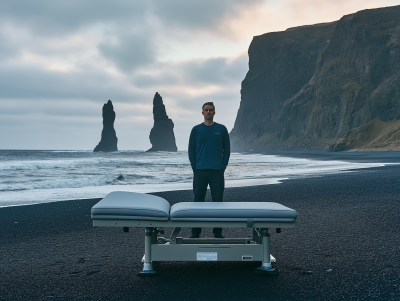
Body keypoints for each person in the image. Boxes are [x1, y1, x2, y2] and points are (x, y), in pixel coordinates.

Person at [188, 102, 230, 238]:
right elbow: (191, 150)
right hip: (200, 171)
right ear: (202, 113)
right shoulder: (196, 130)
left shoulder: (222, 129)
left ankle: (217, 232)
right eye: (206, 110)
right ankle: (195, 232)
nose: (208, 112)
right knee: (198, 202)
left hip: (217, 172)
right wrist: (194, 167)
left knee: (218, 201)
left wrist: (223, 166)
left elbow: (227, 149)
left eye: (211, 110)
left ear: (214, 112)